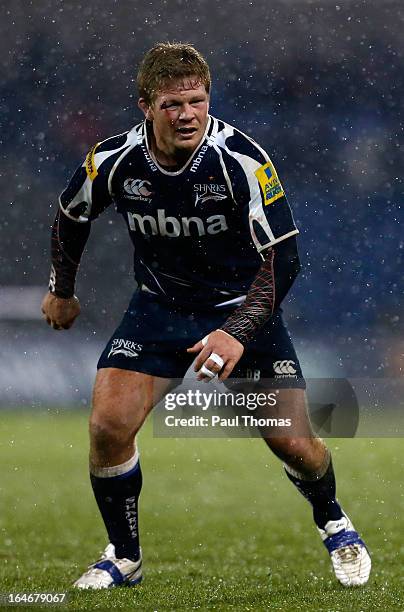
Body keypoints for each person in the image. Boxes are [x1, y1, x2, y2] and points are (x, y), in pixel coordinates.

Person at [41, 42, 371, 590]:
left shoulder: (240, 159)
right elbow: (71, 213)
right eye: (173, 104)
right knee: (107, 426)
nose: (188, 113)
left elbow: (284, 256)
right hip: (159, 309)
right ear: (146, 105)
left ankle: (333, 520)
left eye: (197, 100)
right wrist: (61, 289)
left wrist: (239, 331)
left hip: (244, 311)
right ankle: (125, 557)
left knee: (295, 444)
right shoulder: (114, 160)